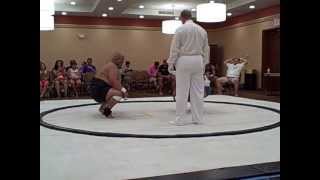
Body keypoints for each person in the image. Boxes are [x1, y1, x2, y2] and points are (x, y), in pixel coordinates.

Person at [167, 9, 209, 126]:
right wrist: (204, 64)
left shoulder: (180, 29)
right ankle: (198, 118)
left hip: (184, 60)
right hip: (198, 60)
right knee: (198, 91)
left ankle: (180, 119)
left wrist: (171, 63)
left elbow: (174, 49)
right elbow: (206, 49)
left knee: (182, 91)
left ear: (182, 17)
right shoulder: (202, 30)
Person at [88, 52, 128, 118]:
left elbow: (115, 82)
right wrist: (124, 90)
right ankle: (106, 110)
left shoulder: (111, 66)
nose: (122, 63)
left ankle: (102, 108)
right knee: (120, 94)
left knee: (116, 92)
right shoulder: (112, 66)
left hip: (98, 87)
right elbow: (113, 81)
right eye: (122, 61)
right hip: (99, 88)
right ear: (117, 60)